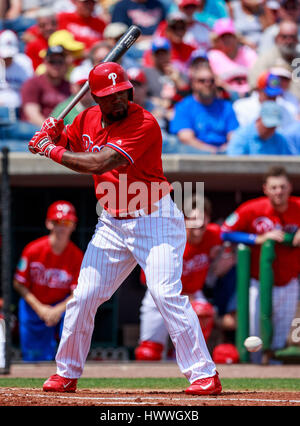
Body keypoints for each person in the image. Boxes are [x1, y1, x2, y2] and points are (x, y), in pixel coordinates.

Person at [28, 61, 222, 395]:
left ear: (130, 90)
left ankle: (204, 374)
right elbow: (71, 143)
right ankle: (66, 372)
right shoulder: (87, 117)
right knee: (84, 296)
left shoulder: (144, 122)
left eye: (122, 93)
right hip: (111, 223)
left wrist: (49, 149)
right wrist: (52, 132)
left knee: (164, 292)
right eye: (108, 95)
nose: (117, 100)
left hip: (154, 218)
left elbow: (100, 162)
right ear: (96, 98)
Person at [135, 196, 235, 361]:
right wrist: (177, 295)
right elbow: (147, 279)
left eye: (203, 218)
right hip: (160, 294)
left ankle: (182, 357)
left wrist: (225, 253)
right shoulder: (170, 239)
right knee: (149, 353)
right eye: (193, 218)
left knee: (203, 311)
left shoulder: (213, 234)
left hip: (193, 294)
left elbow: (234, 235)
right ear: (184, 220)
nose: (199, 223)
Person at [221, 166, 300, 364]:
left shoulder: (297, 206)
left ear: (290, 187)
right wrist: (256, 238)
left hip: (289, 282)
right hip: (257, 281)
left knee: (280, 337)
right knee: (254, 336)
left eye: (282, 187)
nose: (278, 191)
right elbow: (224, 232)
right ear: (266, 189)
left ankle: (274, 375)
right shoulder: (253, 208)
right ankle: (252, 373)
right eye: (274, 187)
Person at [13, 201, 83, 361]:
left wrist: (56, 310)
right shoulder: (33, 249)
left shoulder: (77, 256)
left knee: (76, 311)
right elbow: (19, 283)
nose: (62, 227)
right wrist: (41, 309)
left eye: (67, 222)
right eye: (57, 222)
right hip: (33, 305)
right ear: (49, 223)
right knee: (34, 358)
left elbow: (77, 292)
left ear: (73, 225)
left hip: (61, 307)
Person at [169, 62, 239, 154]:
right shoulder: (184, 107)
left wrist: (222, 151)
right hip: (195, 157)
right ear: (193, 83)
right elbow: (186, 138)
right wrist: (212, 152)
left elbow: (234, 137)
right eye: (202, 81)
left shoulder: (226, 106)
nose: (207, 84)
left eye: (211, 81)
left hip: (224, 155)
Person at [249, 20, 300, 100]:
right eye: (284, 37)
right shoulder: (266, 59)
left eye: (292, 37)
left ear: (297, 40)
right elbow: (255, 85)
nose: (289, 41)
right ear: (276, 39)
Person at [21, 46, 71, 127]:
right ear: (45, 63)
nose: (56, 65)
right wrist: (50, 129)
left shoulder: (69, 86)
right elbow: (32, 115)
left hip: (60, 131)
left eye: (60, 62)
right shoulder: (33, 83)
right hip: (35, 129)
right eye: (52, 62)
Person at [207, 18, 257, 98]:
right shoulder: (212, 56)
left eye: (229, 36)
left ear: (236, 37)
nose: (227, 40)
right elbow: (214, 81)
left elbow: (258, 75)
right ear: (216, 40)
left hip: (251, 95)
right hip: (226, 98)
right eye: (223, 37)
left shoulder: (248, 53)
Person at [226, 100, 293, 156]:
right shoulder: (241, 136)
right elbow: (235, 165)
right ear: (259, 119)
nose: (271, 130)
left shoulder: (280, 139)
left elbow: (288, 162)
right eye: (268, 125)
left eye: (274, 126)